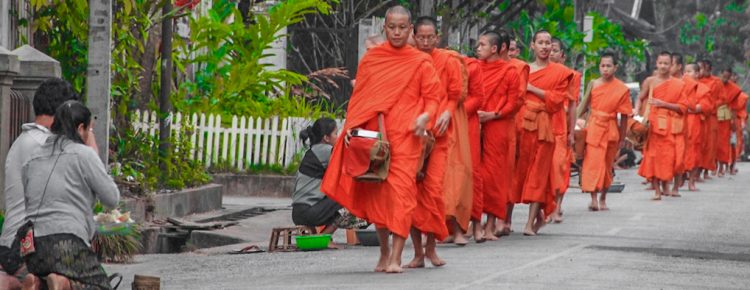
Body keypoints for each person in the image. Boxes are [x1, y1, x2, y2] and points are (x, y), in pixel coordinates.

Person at [321, 5, 442, 274]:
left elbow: (434, 98)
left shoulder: (421, 61)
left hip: (408, 137)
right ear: (383, 29)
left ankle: (396, 257)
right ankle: (384, 252)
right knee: (379, 195)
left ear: (410, 29)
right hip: (377, 137)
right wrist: (354, 131)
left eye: (402, 27)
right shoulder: (372, 59)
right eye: (392, 27)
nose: (397, 32)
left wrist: (426, 117)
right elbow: (360, 100)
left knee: (402, 194)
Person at [19, 100, 120, 289]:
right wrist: (93, 150)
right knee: (100, 285)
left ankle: (37, 283)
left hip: (32, 247)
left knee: (47, 283)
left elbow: (28, 199)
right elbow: (112, 198)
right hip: (66, 243)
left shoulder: (32, 157)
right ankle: (65, 283)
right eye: (90, 130)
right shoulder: (84, 154)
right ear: (81, 128)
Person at [0, 78, 79, 290]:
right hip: (26, 249)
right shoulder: (42, 145)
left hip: (13, 244)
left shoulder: (27, 140)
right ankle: (49, 280)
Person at [407, 16, 466, 268]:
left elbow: (455, 94)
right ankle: (417, 253)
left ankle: (431, 248)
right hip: (413, 134)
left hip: (439, 135)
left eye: (430, 37)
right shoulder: (408, 59)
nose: (426, 41)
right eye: (421, 37)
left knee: (433, 192)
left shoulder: (447, 59)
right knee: (411, 194)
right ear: (414, 36)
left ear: (437, 37)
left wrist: (447, 111)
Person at [513, 30, 572, 236]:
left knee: (538, 173)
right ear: (533, 45)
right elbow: (515, 95)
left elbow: (557, 101)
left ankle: (529, 223)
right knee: (516, 172)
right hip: (521, 124)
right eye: (541, 42)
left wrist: (533, 89)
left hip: (544, 127)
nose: (545, 47)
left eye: (548, 43)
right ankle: (504, 220)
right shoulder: (522, 68)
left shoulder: (560, 72)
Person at [475, 30, 520, 241]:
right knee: (473, 173)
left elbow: (515, 102)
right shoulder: (473, 68)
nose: (478, 48)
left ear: (494, 48)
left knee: (493, 175)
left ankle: (491, 224)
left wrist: (493, 115)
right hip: (474, 123)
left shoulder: (509, 71)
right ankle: (473, 223)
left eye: (482, 45)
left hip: (498, 125)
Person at [579, 52, 632, 210]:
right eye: (602, 66)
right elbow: (583, 106)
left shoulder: (622, 89)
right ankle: (593, 198)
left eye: (609, 66)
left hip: (611, 129)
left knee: (607, 166)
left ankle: (603, 197)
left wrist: (623, 137)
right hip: (594, 127)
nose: (605, 69)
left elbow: (623, 116)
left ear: (615, 68)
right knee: (592, 164)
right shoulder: (594, 84)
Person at [636, 51, 688, 200]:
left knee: (673, 158)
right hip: (654, 125)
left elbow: (683, 107)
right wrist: (636, 112)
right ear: (656, 63)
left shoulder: (678, 84)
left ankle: (671, 185)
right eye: (660, 63)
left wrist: (664, 104)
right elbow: (640, 98)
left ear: (672, 65)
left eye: (666, 63)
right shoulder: (650, 81)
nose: (663, 66)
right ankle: (657, 191)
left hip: (672, 126)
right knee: (654, 157)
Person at [547, 37, 580, 223]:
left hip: (560, 124)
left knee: (559, 167)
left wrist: (571, 132)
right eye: (548, 49)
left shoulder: (570, 75)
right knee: (545, 170)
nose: (551, 52)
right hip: (541, 123)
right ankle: (547, 207)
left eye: (555, 50)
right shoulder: (536, 71)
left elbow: (573, 104)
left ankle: (557, 205)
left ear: (562, 55)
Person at [292, 118, 342, 238]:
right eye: (335, 133)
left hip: (297, 212)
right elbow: (346, 169)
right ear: (326, 138)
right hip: (310, 212)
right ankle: (324, 237)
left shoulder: (314, 150)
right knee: (346, 198)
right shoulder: (326, 150)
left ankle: (321, 237)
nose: (338, 137)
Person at [504, 38, 530, 235]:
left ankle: (506, 219)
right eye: (508, 50)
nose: (510, 54)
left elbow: (518, 97)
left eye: (513, 50)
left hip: (516, 123)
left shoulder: (520, 68)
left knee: (510, 173)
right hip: (486, 123)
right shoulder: (484, 66)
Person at [463, 50, 488, 243]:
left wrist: (457, 111)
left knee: (472, 173)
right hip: (439, 122)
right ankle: (449, 227)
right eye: (421, 38)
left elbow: (478, 97)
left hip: (466, 122)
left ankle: (477, 223)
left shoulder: (471, 66)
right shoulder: (424, 62)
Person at [697, 60, 723, 179]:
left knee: (710, 144)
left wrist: (711, 106)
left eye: (704, 69)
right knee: (698, 144)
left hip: (711, 116)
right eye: (700, 69)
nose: (702, 72)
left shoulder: (716, 81)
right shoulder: (694, 81)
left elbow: (721, 98)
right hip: (696, 114)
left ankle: (706, 170)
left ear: (709, 69)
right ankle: (695, 170)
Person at [718, 68, 743, 176]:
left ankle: (727, 166)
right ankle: (718, 167)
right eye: (724, 76)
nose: (725, 79)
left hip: (727, 117)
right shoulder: (715, 85)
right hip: (715, 115)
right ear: (720, 74)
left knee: (728, 143)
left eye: (727, 77)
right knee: (716, 144)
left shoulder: (734, 89)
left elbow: (734, 107)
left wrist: (733, 121)